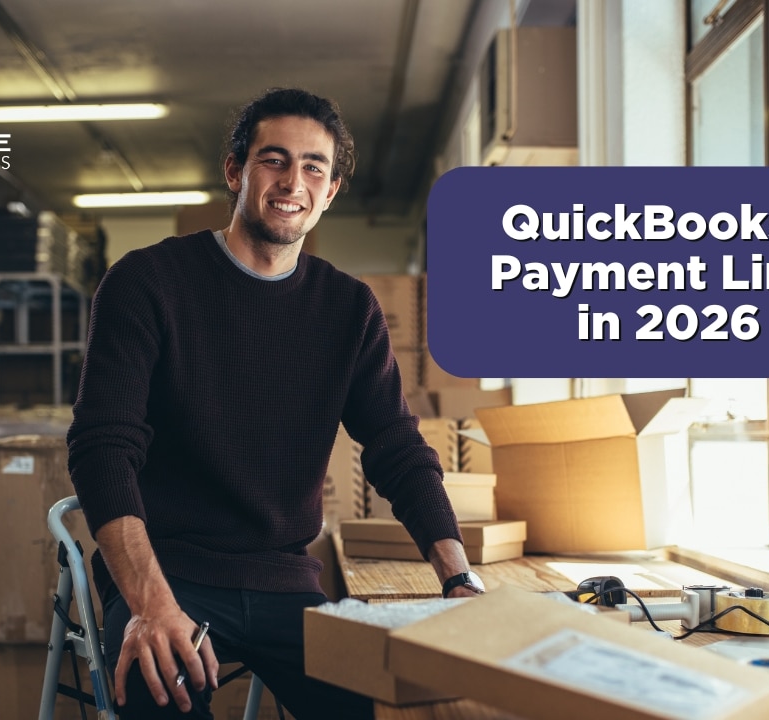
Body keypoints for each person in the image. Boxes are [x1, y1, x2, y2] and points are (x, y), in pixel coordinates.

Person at [67, 87, 482, 720]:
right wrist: (151, 605)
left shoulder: (348, 310)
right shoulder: (147, 283)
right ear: (235, 171)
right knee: (161, 703)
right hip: (170, 573)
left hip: (285, 582)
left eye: (314, 166)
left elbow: (396, 446)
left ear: (331, 189)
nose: (294, 181)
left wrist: (458, 577)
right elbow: (102, 448)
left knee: (397, 707)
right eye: (274, 159)